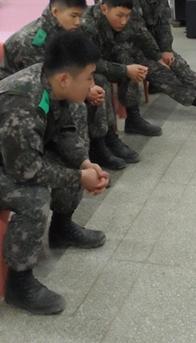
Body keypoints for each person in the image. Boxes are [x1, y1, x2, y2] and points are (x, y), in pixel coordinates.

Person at [0, 31, 109, 315]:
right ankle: (19, 283)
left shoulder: (50, 81)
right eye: (89, 78)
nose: (92, 84)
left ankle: (62, 228)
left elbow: (64, 132)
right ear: (65, 79)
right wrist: (80, 178)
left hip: (12, 156)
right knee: (33, 197)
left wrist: (84, 164)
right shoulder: (23, 101)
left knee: (69, 160)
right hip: (11, 161)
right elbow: (26, 171)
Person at [0, 0, 138, 170]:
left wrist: (89, 87)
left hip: (49, 86)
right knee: (76, 105)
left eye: (80, 16)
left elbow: (77, 67)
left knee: (99, 82)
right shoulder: (32, 40)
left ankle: (101, 142)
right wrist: (86, 92)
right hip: (21, 99)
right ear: (55, 12)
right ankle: (77, 161)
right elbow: (45, 81)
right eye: (74, 16)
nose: (78, 22)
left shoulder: (66, 30)